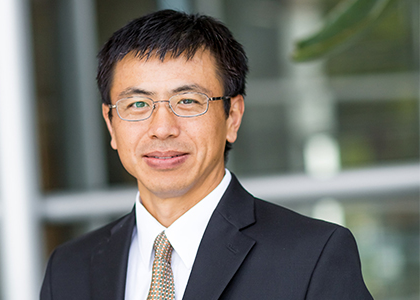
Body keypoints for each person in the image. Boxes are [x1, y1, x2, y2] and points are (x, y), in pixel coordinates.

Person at [40, 9, 373, 300]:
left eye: (187, 101)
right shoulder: (70, 268)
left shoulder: (313, 256)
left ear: (233, 116)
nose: (162, 128)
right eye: (137, 104)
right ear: (111, 125)